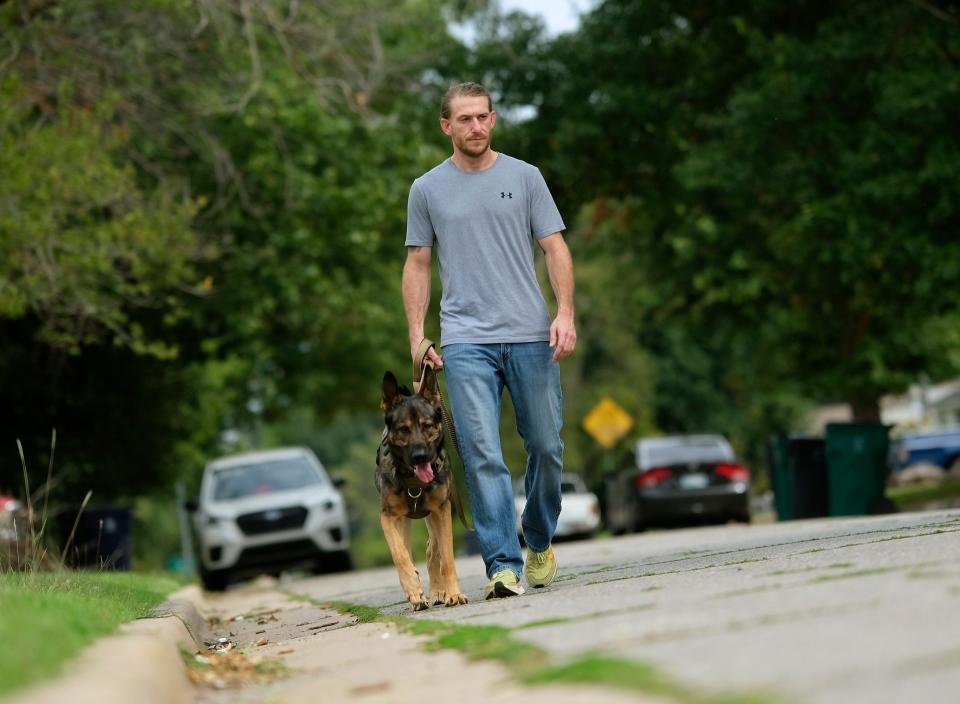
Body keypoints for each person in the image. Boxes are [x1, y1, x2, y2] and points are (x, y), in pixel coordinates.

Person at [402, 81, 577, 599]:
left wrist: (564, 312)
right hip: (464, 340)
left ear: (493, 119)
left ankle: (539, 538)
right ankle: (502, 564)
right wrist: (417, 335)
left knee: (546, 446)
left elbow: (555, 247)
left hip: (530, 333)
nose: (475, 127)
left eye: (483, 117)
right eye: (465, 120)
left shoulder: (525, 177)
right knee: (481, 453)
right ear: (446, 126)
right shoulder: (427, 189)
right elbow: (417, 262)